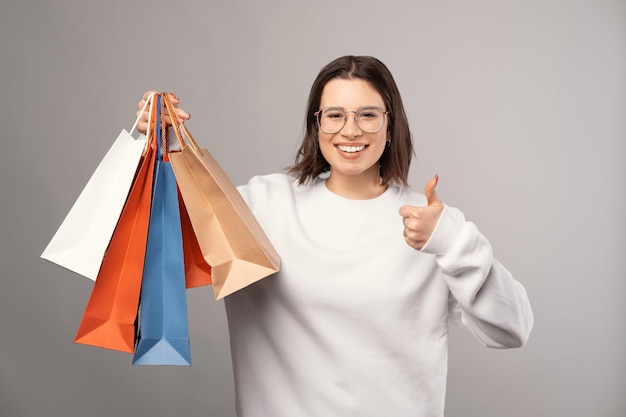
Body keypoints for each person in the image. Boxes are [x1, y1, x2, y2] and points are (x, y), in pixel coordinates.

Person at [136, 55, 533, 417]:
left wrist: (449, 240)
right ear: (317, 123)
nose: (350, 130)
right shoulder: (261, 206)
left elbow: (513, 328)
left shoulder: (431, 223)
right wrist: (155, 144)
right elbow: (151, 239)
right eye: (335, 114)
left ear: (391, 124)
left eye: (368, 114)